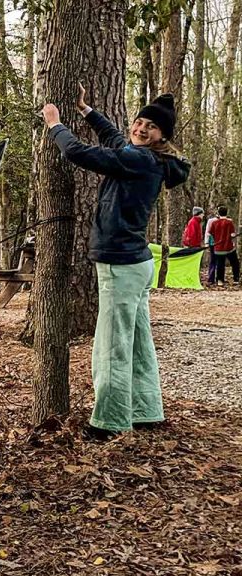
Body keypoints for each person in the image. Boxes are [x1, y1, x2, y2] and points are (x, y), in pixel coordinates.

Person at [41, 88, 190, 437]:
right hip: (135, 263)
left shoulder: (139, 161)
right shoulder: (144, 157)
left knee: (112, 345)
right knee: (137, 341)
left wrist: (55, 125)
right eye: (139, 121)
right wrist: (88, 110)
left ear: (162, 136)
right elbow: (114, 138)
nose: (140, 128)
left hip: (121, 266)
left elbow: (80, 152)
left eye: (150, 127)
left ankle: (108, 422)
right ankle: (145, 409)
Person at [210, 205, 240, 285]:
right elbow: (232, 234)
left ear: (218, 213)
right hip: (228, 247)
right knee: (235, 263)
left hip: (218, 247)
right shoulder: (229, 222)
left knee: (220, 264)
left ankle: (220, 280)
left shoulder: (214, 223)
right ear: (226, 213)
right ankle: (236, 279)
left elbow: (211, 233)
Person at [204, 209, 219, 284]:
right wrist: (206, 242)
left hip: (221, 244)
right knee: (213, 260)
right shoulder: (211, 221)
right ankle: (211, 278)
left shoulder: (227, 220)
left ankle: (219, 279)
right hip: (213, 243)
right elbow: (207, 232)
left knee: (220, 261)